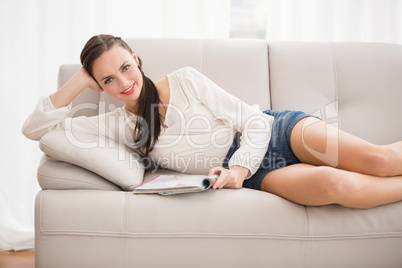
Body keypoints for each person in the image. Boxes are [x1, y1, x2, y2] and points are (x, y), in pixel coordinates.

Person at [22, 34, 402, 209]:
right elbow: (37, 131)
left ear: (136, 58)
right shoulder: (120, 126)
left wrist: (237, 168)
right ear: (99, 86)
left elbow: (252, 120)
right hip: (259, 174)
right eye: (107, 79)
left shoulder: (185, 79)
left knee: (382, 162)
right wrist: (77, 80)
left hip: (277, 131)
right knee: (335, 184)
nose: (123, 83)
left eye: (124, 67)